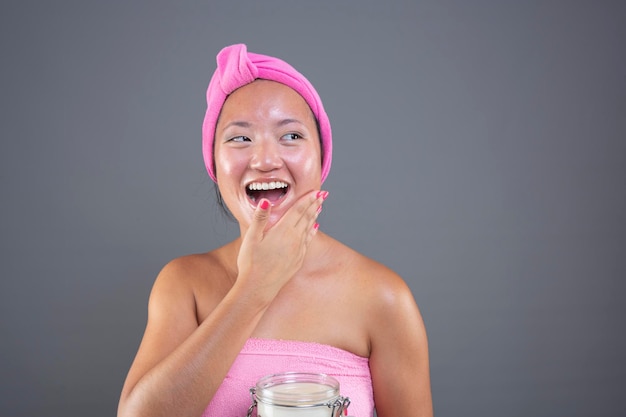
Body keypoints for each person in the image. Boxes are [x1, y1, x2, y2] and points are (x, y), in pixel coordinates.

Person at [117, 43, 433, 417]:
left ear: (322, 158)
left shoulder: (384, 298)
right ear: (214, 166)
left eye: (291, 136)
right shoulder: (184, 284)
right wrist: (254, 288)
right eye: (240, 138)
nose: (265, 160)